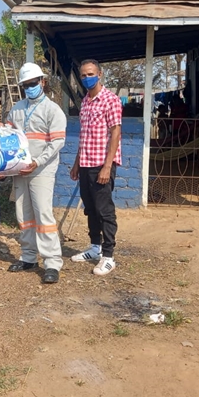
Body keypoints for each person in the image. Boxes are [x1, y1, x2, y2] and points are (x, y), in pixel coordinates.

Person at [5, 63, 67, 284]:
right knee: (24, 216)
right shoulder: (17, 109)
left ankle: (52, 262)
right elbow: (9, 135)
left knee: (43, 215)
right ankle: (29, 257)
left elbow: (57, 142)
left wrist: (38, 161)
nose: (30, 87)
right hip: (20, 170)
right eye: (26, 85)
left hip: (42, 170)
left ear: (42, 82)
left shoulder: (53, 110)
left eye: (33, 83)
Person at [69, 59, 122, 276]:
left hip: (102, 164)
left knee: (104, 211)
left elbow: (116, 133)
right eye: (83, 75)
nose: (87, 77)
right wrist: (76, 164)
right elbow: (85, 136)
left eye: (90, 73)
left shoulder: (111, 100)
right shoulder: (86, 102)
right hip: (85, 163)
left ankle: (108, 256)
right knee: (90, 208)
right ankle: (94, 248)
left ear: (99, 74)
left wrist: (107, 167)